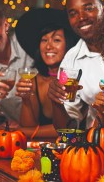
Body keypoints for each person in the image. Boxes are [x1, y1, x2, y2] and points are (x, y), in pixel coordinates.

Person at [47, 0, 104, 130]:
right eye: (73, 13)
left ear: (103, 10)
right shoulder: (70, 63)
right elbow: (68, 127)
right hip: (101, 143)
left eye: (88, 8)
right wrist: (56, 101)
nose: (81, 17)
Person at [14, 8, 79, 139]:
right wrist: (26, 99)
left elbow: (71, 129)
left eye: (56, 40)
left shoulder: (75, 80)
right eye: (44, 40)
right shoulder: (34, 80)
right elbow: (28, 126)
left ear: (69, 45)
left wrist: (18, 132)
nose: (48, 46)